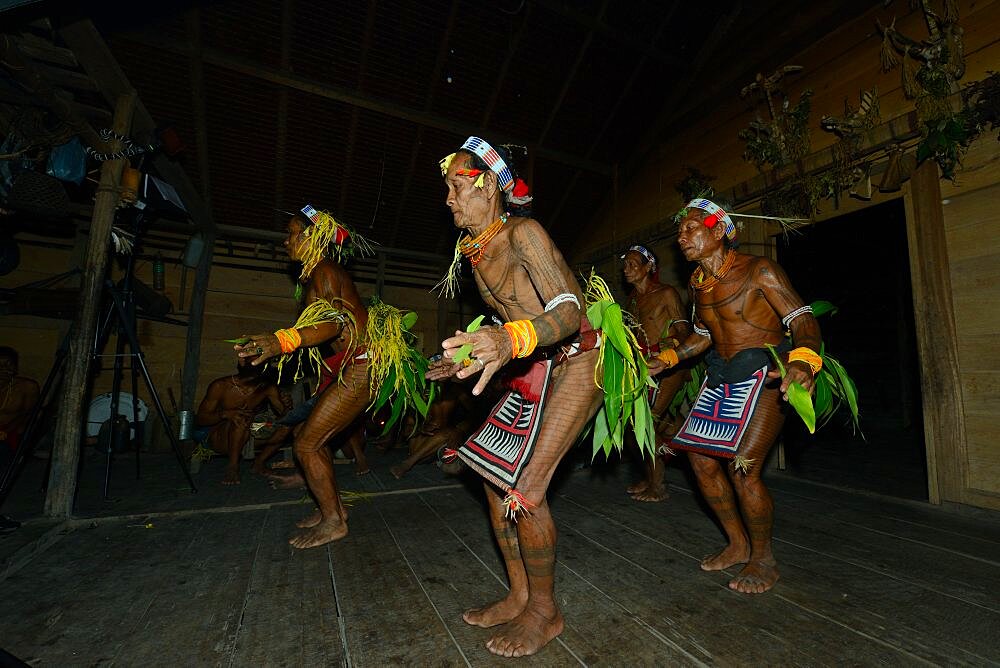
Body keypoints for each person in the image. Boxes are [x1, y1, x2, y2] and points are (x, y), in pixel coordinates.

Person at [428, 137, 603, 658]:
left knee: (525, 489)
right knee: (489, 476)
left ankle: (546, 613)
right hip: (534, 362)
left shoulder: (525, 233)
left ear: (489, 189)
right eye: (448, 189)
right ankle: (521, 594)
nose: (449, 200)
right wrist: (467, 359)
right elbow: (511, 315)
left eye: (458, 187)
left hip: (578, 360)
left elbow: (569, 310)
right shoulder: (474, 249)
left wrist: (509, 340)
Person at [648, 197, 822, 594]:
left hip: (764, 373)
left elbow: (802, 319)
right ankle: (738, 543)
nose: (682, 237)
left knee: (743, 468)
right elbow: (706, 336)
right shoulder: (697, 284)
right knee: (700, 461)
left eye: (691, 229)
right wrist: (669, 357)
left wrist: (803, 362)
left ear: (719, 230)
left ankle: (764, 558)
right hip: (721, 375)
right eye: (680, 231)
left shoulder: (760, 271)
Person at [236, 205, 425, 548]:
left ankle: (335, 521)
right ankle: (332, 511)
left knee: (307, 443)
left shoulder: (325, 271)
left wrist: (283, 340)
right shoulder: (321, 274)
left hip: (364, 366)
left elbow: (334, 323)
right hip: (354, 366)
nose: (286, 240)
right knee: (307, 437)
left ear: (312, 237)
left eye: (292, 232)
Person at [620, 245, 691, 502]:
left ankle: (658, 486)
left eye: (633, 264)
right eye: (625, 265)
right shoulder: (632, 300)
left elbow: (684, 330)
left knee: (646, 424)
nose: (627, 269)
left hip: (669, 367)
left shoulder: (666, 293)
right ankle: (653, 475)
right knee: (635, 427)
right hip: (643, 369)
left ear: (649, 266)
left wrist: (668, 348)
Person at [194, 359, 288, 485]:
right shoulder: (220, 386)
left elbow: (286, 415)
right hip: (221, 438)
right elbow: (201, 419)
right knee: (240, 419)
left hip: (250, 434)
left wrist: (287, 405)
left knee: (289, 425)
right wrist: (226, 414)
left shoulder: (267, 387)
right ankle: (232, 467)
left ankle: (258, 463)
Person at [389, 380, 475, 480]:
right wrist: (420, 428)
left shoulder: (455, 390)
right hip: (420, 444)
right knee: (448, 433)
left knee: (453, 468)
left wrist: (460, 430)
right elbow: (406, 430)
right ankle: (407, 464)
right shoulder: (419, 392)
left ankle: (438, 460)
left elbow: (475, 415)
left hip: (443, 445)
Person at [0, 347, 39, 469]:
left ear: (15, 368)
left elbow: (29, 416)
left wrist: (7, 431)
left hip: (11, 435)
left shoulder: (27, 387)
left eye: (8, 365)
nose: (3, 369)